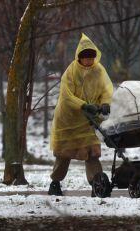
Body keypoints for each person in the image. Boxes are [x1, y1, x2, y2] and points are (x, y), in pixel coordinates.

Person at [48, 33, 113, 196]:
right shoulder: (71, 72)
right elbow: (67, 96)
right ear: (80, 58)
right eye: (86, 58)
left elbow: (106, 89)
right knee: (64, 154)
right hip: (68, 120)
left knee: (91, 153)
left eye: (92, 57)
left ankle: (97, 183)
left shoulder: (99, 71)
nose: (89, 61)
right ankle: (55, 183)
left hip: (88, 121)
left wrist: (105, 103)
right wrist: (83, 105)